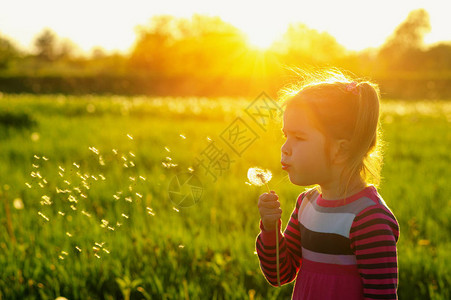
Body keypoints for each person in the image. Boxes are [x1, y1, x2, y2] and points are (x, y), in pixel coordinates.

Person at [256, 70, 399, 300]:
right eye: (285, 136)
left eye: (298, 138)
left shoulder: (368, 218)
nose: (285, 148)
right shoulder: (306, 204)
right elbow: (280, 274)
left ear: (340, 150)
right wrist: (270, 229)